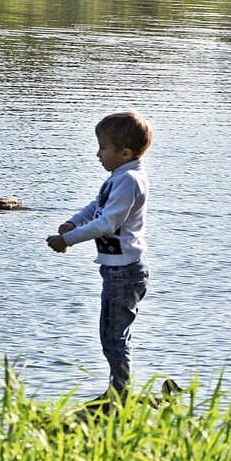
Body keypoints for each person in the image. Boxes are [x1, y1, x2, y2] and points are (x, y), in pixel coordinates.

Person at [47, 111, 153, 396]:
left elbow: (108, 223)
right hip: (119, 270)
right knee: (112, 334)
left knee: (113, 336)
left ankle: (119, 394)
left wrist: (67, 240)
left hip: (125, 272)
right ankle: (118, 389)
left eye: (103, 148)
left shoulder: (129, 179)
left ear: (125, 152)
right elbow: (98, 205)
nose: (98, 154)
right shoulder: (120, 177)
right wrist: (74, 221)